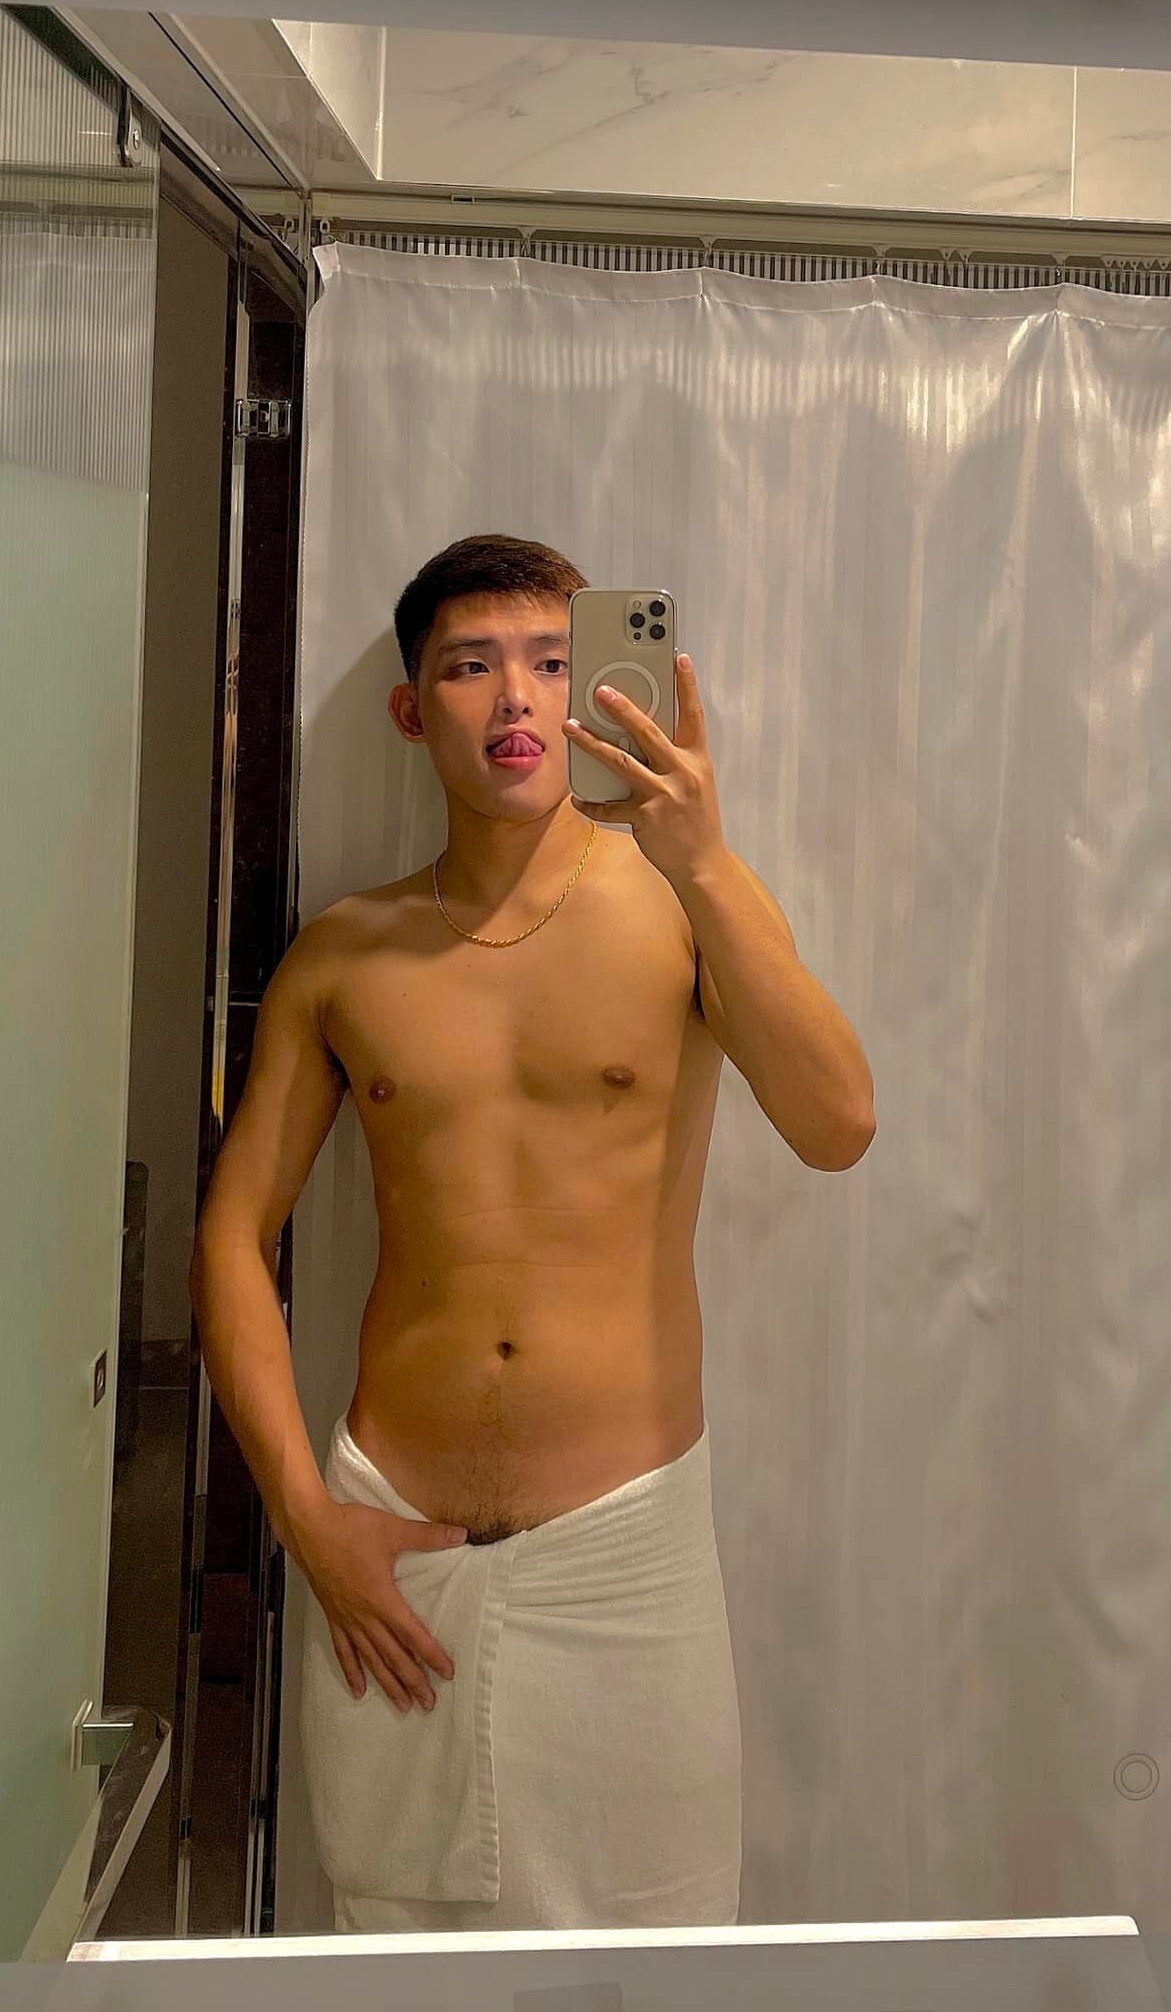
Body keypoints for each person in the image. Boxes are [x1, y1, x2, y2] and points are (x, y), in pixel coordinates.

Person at [189, 533, 876, 1933]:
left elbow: (838, 1124)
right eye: (470, 665)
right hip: (392, 1552)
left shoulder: (681, 910)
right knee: (392, 1948)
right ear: (411, 708)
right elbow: (231, 1237)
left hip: (625, 1549)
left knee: (656, 1956)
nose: (514, 696)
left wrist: (704, 858)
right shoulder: (344, 954)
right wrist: (308, 1521)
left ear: (591, 688)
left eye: (552, 662)